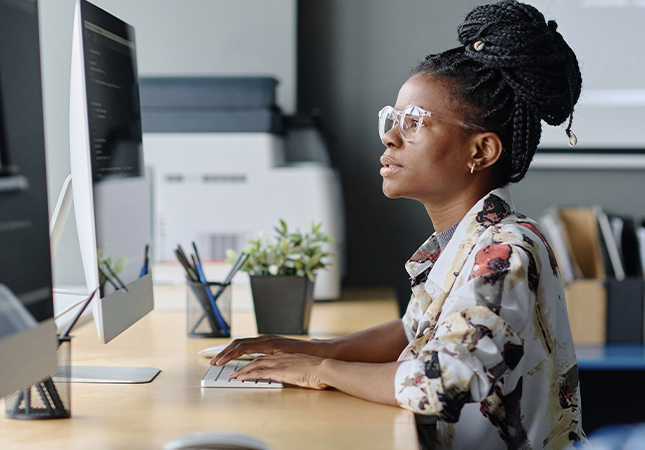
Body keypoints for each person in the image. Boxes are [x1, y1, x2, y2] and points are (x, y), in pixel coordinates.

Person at [211, 1, 588, 448]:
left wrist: (321, 371)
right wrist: (315, 348)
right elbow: (415, 331)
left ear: (481, 152)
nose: (390, 136)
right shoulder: (464, 241)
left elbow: (438, 382)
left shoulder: (505, 253)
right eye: (393, 120)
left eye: (415, 123)